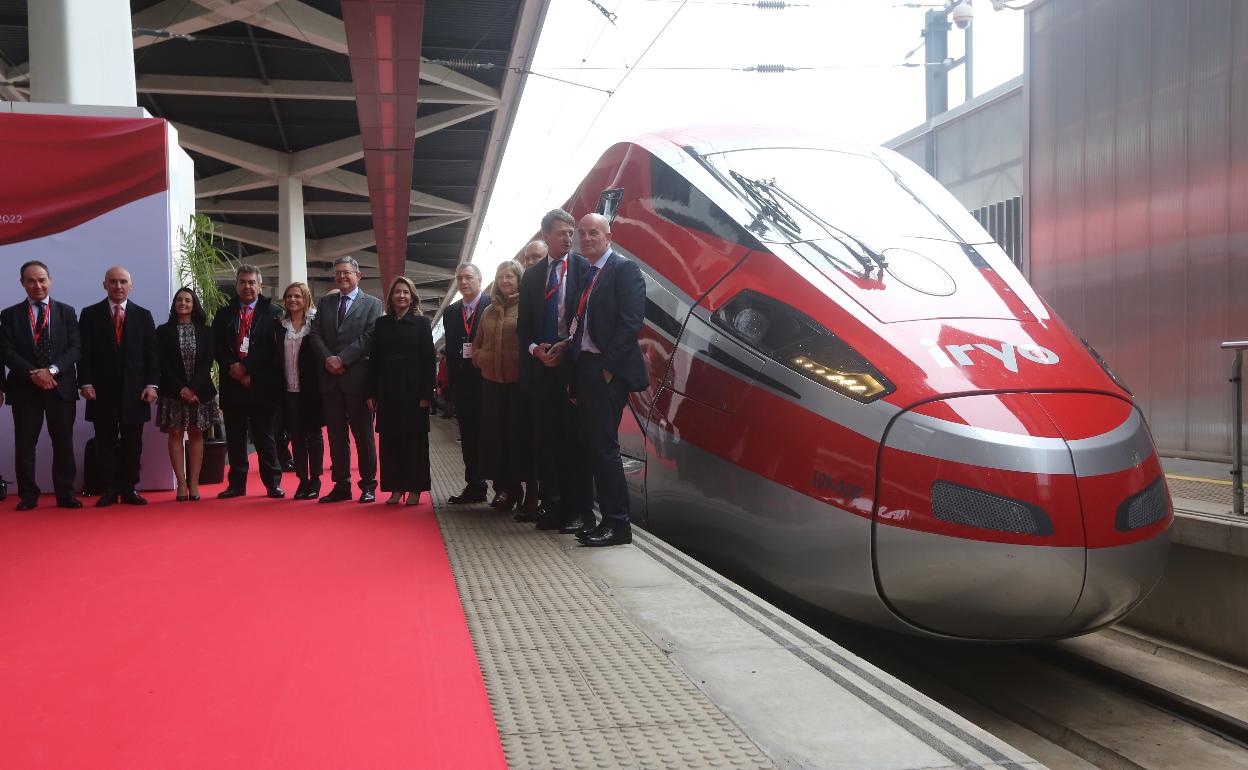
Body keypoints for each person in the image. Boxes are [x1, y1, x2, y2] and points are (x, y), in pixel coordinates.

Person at [566, 213, 648, 547]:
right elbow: (579, 325)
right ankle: (601, 519)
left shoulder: (624, 269)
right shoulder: (590, 273)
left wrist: (609, 368)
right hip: (586, 367)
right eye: (582, 234)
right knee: (590, 446)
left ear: (608, 236)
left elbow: (631, 321)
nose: (586, 239)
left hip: (605, 371)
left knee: (604, 448)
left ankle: (617, 524)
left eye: (593, 233)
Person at [516, 211, 593, 532]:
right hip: (542, 370)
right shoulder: (532, 277)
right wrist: (537, 350)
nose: (568, 238)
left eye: (570, 232)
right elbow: (524, 328)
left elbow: (590, 317)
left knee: (574, 441)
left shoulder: (583, 269)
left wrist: (567, 344)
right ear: (546, 235)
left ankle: (579, 511)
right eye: (561, 233)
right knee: (545, 441)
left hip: (573, 367)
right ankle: (553, 505)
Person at [0, 260, 82, 510]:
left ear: (50, 280)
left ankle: (65, 494)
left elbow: (75, 348)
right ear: (22, 283)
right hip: (25, 388)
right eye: (31, 280)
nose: (37, 285)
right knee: (25, 444)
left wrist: (52, 371)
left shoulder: (66, 312)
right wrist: (34, 373)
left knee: (64, 442)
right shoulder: (10, 314)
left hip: (61, 386)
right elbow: (6, 351)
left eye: (41, 279)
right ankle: (28, 496)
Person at [78, 266, 159, 507]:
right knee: (105, 443)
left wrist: (152, 385)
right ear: (104, 285)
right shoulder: (90, 314)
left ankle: (130, 488)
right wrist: (85, 382)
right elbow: (84, 354)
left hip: (136, 393)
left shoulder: (143, 316)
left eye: (123, 281)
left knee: (133, 444)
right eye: (113, 281)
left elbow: (152, 356)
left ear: (131, 285)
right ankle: (110, 489)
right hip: (100, 392)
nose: (118, 286)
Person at [308, 256, 383, 504]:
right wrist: (329, 358)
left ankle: (368, 484)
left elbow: (370, 335)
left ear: (358, 275)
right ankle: (341, 485)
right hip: (330, 380)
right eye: (338, 272)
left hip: (357, 380)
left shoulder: (372, 304)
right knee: (336, 436)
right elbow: (315, 334)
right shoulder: (326, 302)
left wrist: (343, 359)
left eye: (347, 272)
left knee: (363, 435)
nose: (342, 276)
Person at [212, 265, 285, 499]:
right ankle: (236, 484)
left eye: (252, 282)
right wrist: (234, 367)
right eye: (242, 282)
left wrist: (248, 369)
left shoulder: (274, 312)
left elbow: (272, 350)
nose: (247, 286)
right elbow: (217, 345)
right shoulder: (225, 313)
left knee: (265, 436)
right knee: (235, 437)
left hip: (261, 383)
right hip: (232, 383)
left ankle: (273, 483)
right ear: (236, 285)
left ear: (259, 285)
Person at [367, 276, 435, 505]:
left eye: (406, 292)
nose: (402, 296)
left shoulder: (422, 323)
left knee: (415, 442)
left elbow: (428, 360)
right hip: (387, 391)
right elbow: (374, 360)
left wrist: (427, 394)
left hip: (414, 392)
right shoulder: (381, 323)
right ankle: (395, 488)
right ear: (391, 297)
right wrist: (372, 393)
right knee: (390, 441)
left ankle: (415, 488)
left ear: (412, 296)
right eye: (397, 292)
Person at [472, 260, 532, 511]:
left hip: (517, 384)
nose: (505, 281)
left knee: (517, 436)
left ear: (519, 279)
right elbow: (477, 343)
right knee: (494, 438)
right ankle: (503, 489)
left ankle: (520, 488)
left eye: (510, 276)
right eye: (501, 277)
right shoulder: (489, 310)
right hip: (492, 383)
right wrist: (480, 358)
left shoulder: (527, 307)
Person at [155, 287, 218, 502]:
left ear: (194, 305)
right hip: (173, 392)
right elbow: (161, 363)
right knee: (175, 434)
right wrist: (181, 388)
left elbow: (208, 362)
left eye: (188, 300)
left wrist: (194, 388)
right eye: (179, 300)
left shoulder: (206, 331)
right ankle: (181, 482)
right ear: (174, 304)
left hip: (199, 392)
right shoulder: (163, 331)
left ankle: (194, 482)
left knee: (196, 434)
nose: (183, 303)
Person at [444, 262, 491, 504]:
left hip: (489, 383)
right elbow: (452, 351)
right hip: (463, 385)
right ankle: (474, 485)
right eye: (459, 278)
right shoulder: (451, 312)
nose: (463, 282)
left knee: (493, 435)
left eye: (468, 277)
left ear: (480, 279)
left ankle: (504, 487)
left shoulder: (492, 305)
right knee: (469, 436)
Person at [278, 281, 326, 500]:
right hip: (288, 390)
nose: (293, 300)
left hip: (312, 390)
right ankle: (302, 480)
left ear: (306, 298)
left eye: (297, 296)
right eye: (289, 296)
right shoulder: (280, 326)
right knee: (296, 437)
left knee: (313, 435)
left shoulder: (315, 324)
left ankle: (315, 479)